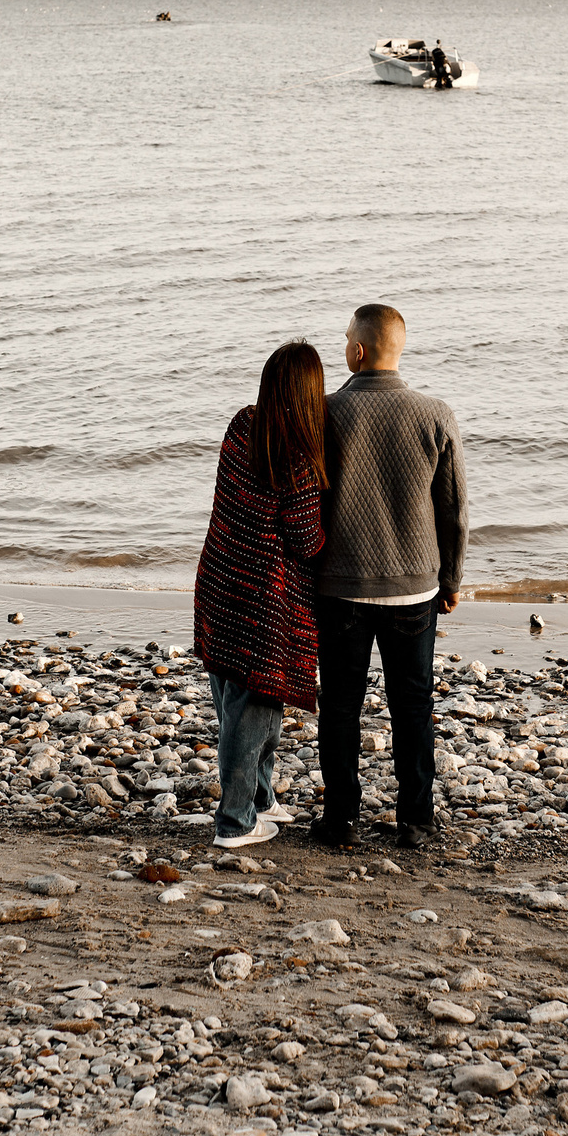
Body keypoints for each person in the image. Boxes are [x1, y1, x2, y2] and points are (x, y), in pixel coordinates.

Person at [311, 304, 467, 851]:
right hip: (414, 587)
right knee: (413, 705)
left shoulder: (325, 413)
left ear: (358, 351)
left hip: (340, 586)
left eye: (345, 339)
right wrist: (452, 579)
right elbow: (453, 509)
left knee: (340, 706)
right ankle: (416, 820)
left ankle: (340, 820)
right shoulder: (435, 414)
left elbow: (307, 502)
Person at [191, 341, 330, 850]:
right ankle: (235, 822)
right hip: (264, 603)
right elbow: (307, 540)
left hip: (220, 578)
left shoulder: (242, 424)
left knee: (238, 703)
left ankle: (262, 798)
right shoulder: (298, 457)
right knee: (251, 716)